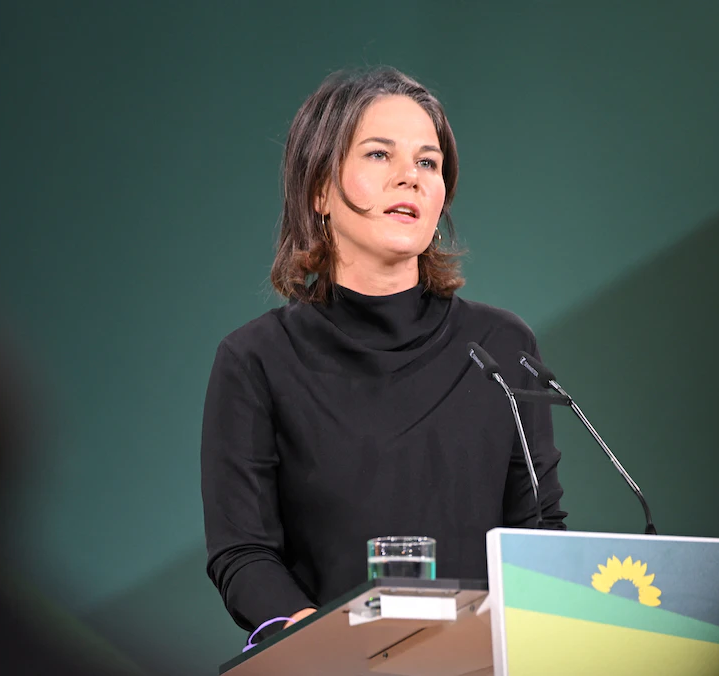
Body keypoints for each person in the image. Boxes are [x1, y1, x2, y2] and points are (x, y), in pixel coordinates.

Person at [199, 66, 568, 644]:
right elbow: (243, 553)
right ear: (319, 190)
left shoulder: (502, 349)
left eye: (428, 162)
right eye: (379, 155)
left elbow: (539, 530)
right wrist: (327, 641)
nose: (409, 178)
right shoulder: (257, 360)